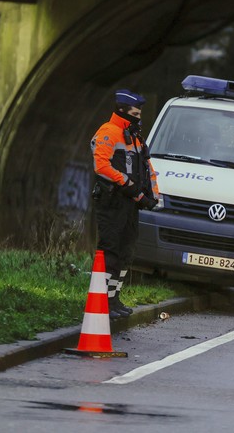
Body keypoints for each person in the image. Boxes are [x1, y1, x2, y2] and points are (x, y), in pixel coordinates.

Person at [90, 89, 159, 319]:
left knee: (126, 251)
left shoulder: (135, 137)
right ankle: (101, 300)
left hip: (130, 203)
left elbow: (148, 168)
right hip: (112, 200)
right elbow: (101, 166)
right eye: (135, 113)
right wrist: (126, 183)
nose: (139, 117)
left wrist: (152, 195)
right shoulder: (109, 132)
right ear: (122, 111)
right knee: (109, 250)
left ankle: (113, 298)